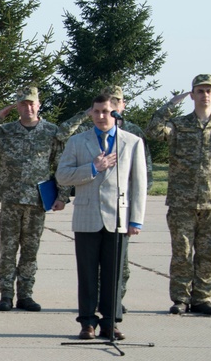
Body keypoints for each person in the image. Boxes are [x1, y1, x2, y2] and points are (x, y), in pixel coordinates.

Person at [146, 74, 211, 316]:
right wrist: (171, 104)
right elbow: (153, 131)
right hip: (182, 201)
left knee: (208, 253)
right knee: (182, 253)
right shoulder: (179, 125)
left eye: (209, 90)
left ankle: (202, 298)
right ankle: (180, 298)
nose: (205, 95)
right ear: (193, 95)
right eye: (200, 90)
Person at [56, 93, 147, 340]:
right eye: (96, 112)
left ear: (116, 112)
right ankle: (87, 322)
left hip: (118, 217)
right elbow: (62, 176)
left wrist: (135, 219)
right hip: (87, 216)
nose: (100, 116)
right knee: (86, 274)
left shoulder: (132, 142)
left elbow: (139, 183)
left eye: (105, 111)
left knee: (113, 273)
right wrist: (93, 168)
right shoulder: (77, 142)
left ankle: (110, 322)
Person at [0, 85, 69, 312]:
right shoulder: (5, 131)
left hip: (37, 200)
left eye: (31, 103)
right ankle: (6, 294)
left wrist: (62, 196)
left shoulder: (51, 132)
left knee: (30, 250)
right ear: (17, 106)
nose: (28, 107)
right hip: (11, 199)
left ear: (38, 105)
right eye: (23, 104)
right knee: (7, 249)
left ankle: (25, 295)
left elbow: (61, 165)